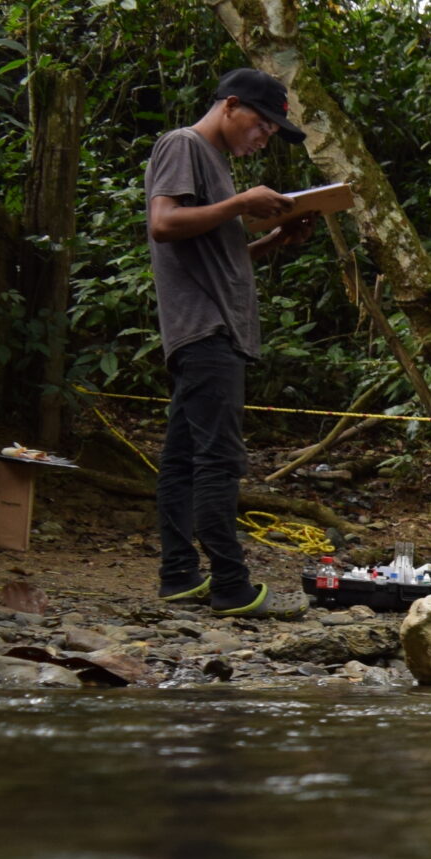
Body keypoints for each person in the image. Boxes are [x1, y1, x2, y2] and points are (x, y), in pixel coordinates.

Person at [145, 67, 317, 616]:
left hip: (210, 328)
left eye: (272, 130)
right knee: (220, 460)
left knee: (182, 459)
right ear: (231, 105)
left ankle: (179, 575)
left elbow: (220, 258)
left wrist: (272, 239)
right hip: (205, 329)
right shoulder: (183, 144)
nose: (264, 135)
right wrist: (242, 203)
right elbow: (164, 223)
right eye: (263, 124)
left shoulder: (215, 164)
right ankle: (231, 585)